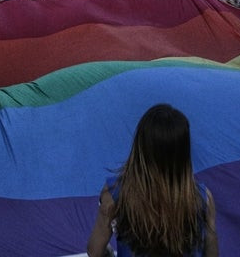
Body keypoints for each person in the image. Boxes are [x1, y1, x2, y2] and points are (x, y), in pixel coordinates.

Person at [87, 103, 218, 257]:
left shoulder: (116, 193)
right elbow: (212, 252)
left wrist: (108, 253)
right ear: (183, 152)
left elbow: (94, 251)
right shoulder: (203, 198)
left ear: (141, 146)